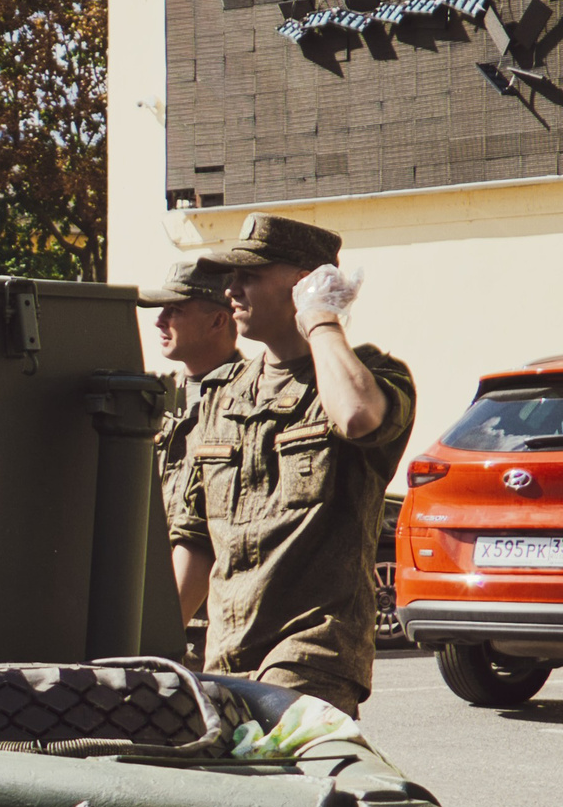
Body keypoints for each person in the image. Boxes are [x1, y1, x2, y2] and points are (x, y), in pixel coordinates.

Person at [169, 214, 416, 714]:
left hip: (312, 656)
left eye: (250, 276)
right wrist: (151, 645)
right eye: (230, 278)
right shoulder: (223, 393)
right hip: (225, 654)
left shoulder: (370, 376)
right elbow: (196, 540)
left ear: (307, 282)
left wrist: (321, 320)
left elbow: (357, 416)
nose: (232, 291)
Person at [139, 256, 245, 519]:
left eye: (174, 310)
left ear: (217, 322)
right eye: (162, 308)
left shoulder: (251, 395)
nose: (159, 320)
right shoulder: (154, 395)